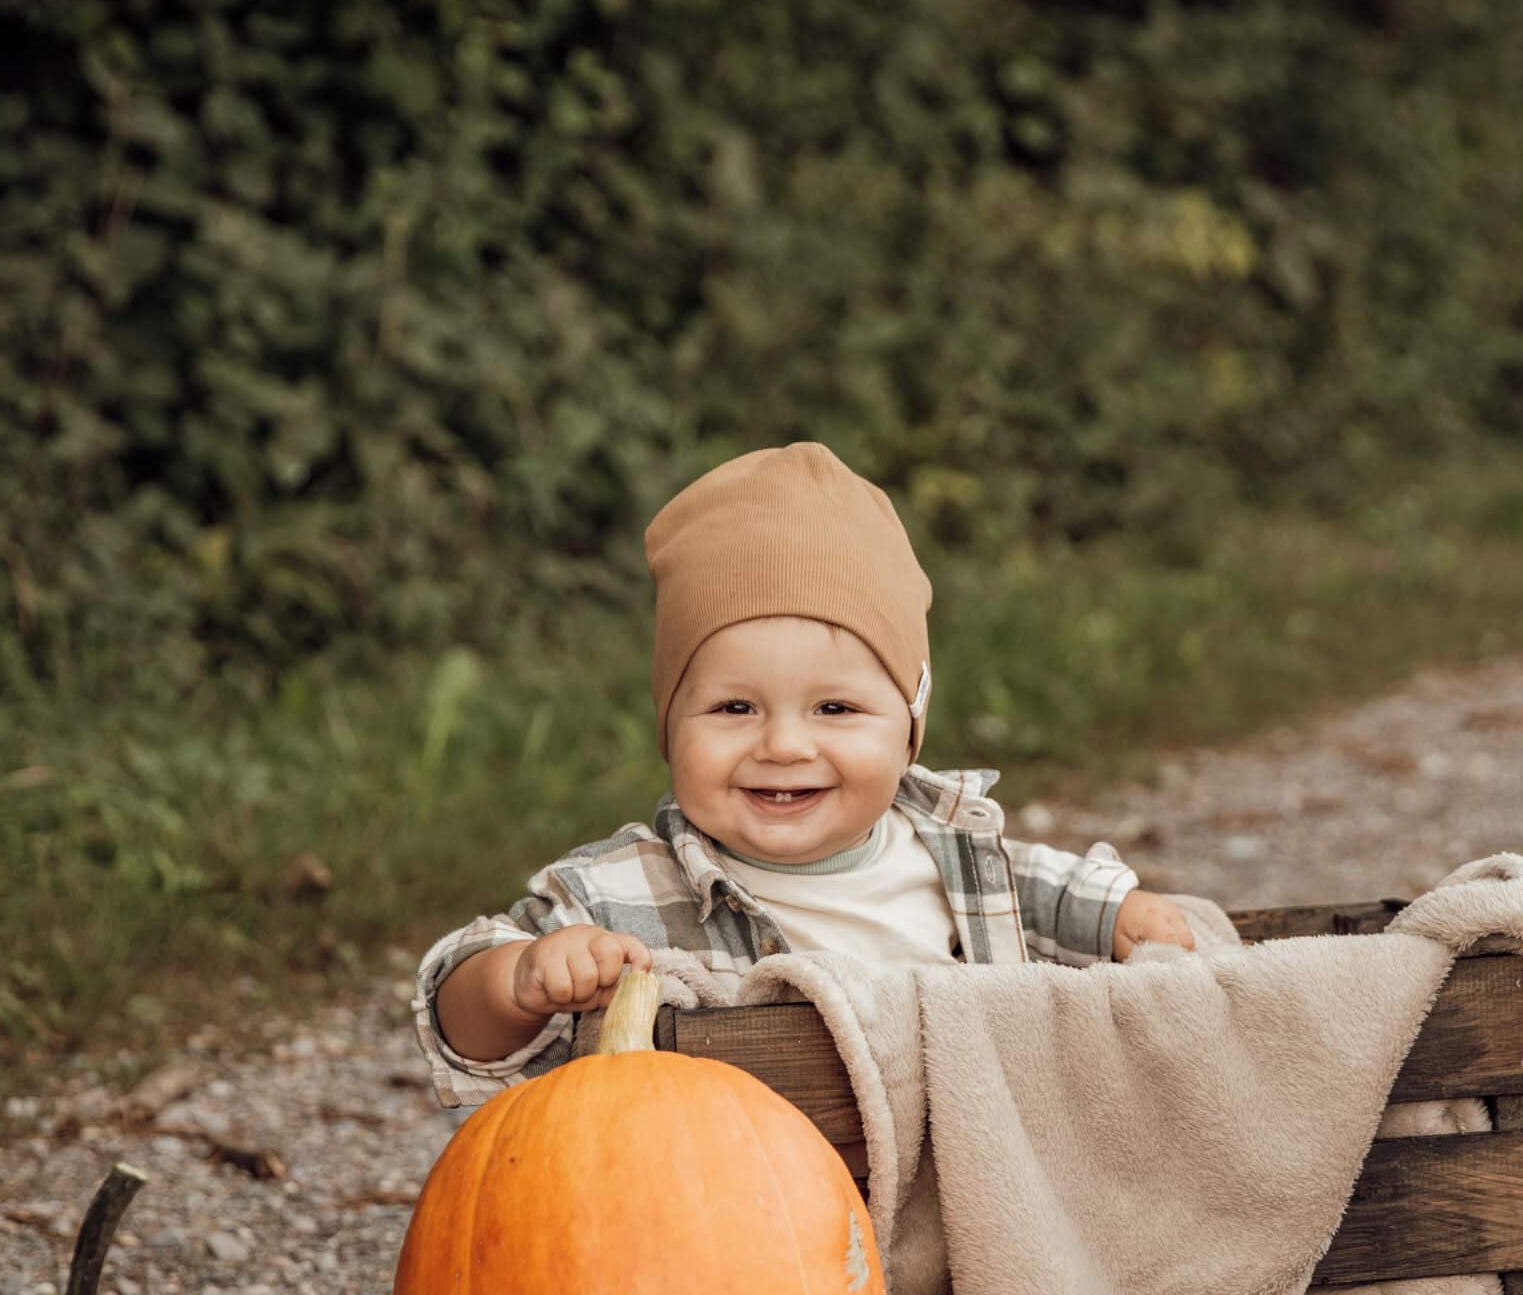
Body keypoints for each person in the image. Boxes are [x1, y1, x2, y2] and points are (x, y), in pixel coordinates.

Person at [413, 442, 1194, 1105]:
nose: (784, 745)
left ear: (909, 735)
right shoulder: (620, 898)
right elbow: (457, 1029)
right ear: (669, 725)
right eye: (733, 709)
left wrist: (1117, 915)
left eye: (835, 710)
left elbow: (1041, 892)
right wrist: (514, 981)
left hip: (954, 1211)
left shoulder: (954, 855)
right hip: (732, 1234)